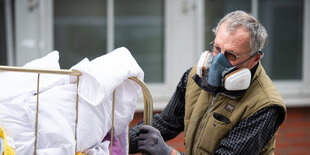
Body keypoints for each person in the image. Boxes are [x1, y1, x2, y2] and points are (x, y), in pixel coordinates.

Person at [129, 10, 286, 155]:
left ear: (255, 59)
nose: (218, 61)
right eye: (217, 48)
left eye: (231, 55)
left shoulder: (265, 106)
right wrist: (114, 143)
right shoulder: (194, 77)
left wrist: (168, 153)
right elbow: (166, 123)